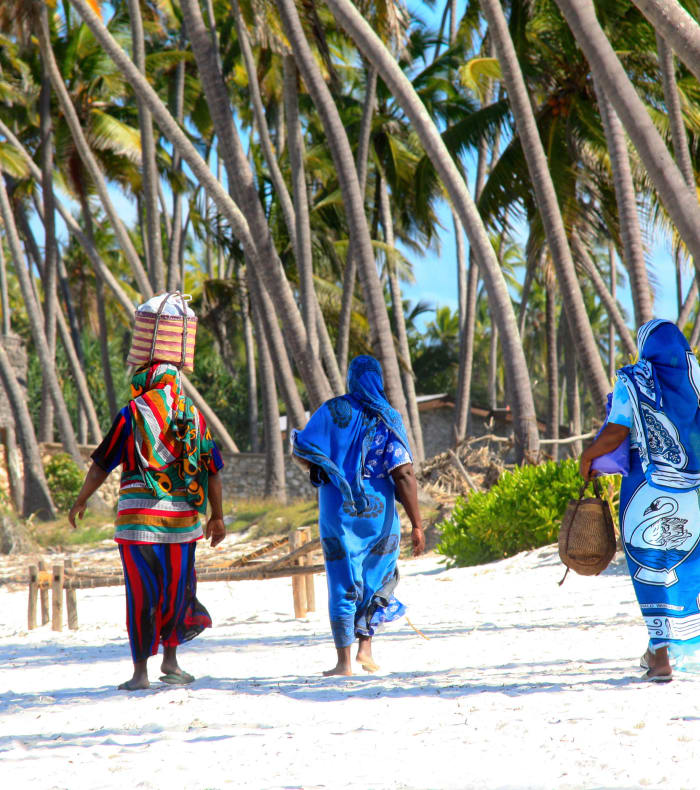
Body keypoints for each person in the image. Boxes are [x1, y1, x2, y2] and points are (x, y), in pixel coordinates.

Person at [69, 348, 226, 690]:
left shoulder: (130, 415)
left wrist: (81, 500)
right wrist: (217, 516)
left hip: (137, 524)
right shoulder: (193, 417)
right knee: (176, 590)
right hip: (182, 524)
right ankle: (170, 662)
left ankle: (140, 674)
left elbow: (101, 465)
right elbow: (212, 472)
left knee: (141, 593)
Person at [580, 319, 700, 683]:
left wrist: (587, 457)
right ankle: (662, 650)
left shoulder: (634, 380)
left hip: (643, 489)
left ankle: (661, 658)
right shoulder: (696, 379)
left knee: (649, 565)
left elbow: (617, 429)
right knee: (684, 563)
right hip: (692, 491)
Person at [292, 355, 425, 676]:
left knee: (341, 579)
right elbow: (404, 473)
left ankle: (344, 662)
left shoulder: (331, 411)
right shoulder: (389, 417)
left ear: (350, 379)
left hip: (338, 511)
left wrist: (328, 469)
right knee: (377, 576)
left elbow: (302, 450)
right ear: (379, 379)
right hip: (379, 515)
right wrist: (417, 524)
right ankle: (366, 648)